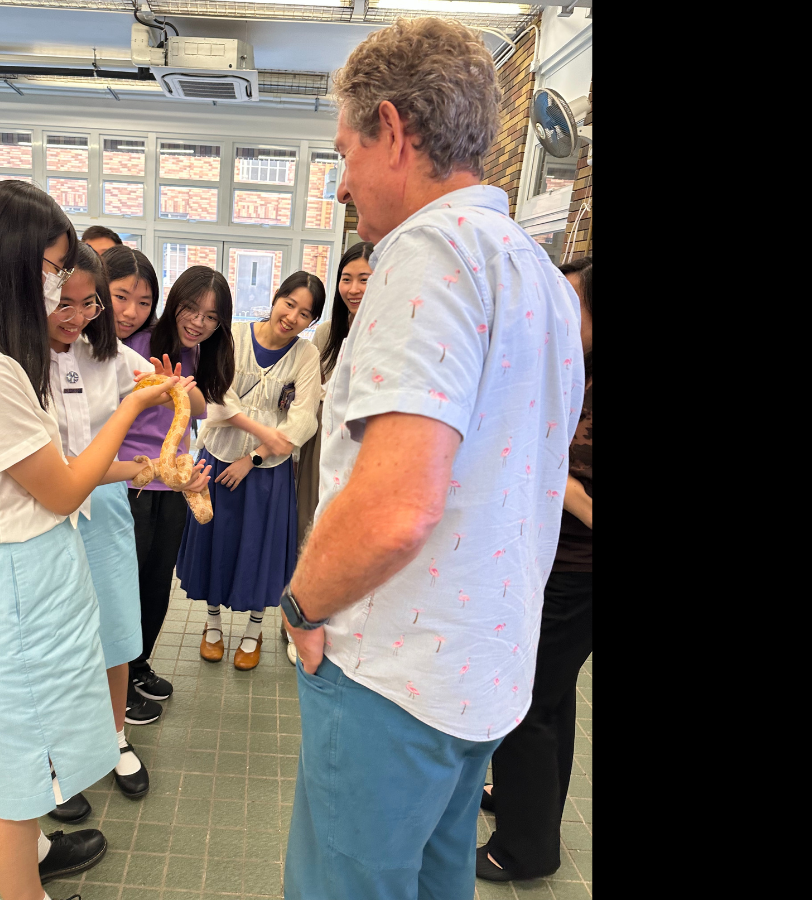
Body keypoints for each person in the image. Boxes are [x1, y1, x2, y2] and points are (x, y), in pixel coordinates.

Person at [280, 18, 584, 900]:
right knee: (434, 878)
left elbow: (397, 507)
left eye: (345, 153)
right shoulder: (539, 274)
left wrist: (301, 603)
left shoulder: (425, 252)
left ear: (393, 129)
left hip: (395, 671)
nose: (343, 184)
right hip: (486, 666)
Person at [0, 180, 193, 900]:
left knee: (34, 746)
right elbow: (65, 488)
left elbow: (61, 469)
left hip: (35, 568)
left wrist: (146, 464)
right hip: (15, 579)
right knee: (14, 771)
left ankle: (35, 848)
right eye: (51, 268)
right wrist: (132, 407)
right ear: (7, 260)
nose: (60, 288)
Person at [45, 244, 211, 823]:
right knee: (60, 640)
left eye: (88, 303)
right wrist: (148, 466)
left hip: (107, 507)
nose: (79, 315)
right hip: (44, 519)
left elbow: (182, 397)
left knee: (119, 629)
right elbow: (58, 469)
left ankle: (115, 737)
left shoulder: (110, 354)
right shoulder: (17, 358)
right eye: (66, 302)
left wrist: (175, 461)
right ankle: (56, 757)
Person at [477, 255, 592, 882]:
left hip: (576, 575)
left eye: (572, 306)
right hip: (551, 562)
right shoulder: (575, 373)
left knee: (530, 702)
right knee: (551, 697)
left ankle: (523, 851)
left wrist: (548, 468)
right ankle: (529, 809)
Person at [102, 252, 234, 711]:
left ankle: (138, 665)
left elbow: (200, 407)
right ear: (174, 303)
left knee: (157, 585)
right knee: (125, 587)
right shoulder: (136, 344)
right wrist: (166, 387)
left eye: (211, 317)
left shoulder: (195, 350)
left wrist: (178, 388)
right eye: (192, 309)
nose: (199, 322)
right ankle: (115, 688)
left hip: (173, 486)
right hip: (130, 482)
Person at [179, 271, 323, 671]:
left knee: (262, 549)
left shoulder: (306, 356)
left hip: (267, 470)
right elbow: (216, 397)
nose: (292, 317)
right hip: (217, 457)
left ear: (311, 321)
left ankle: (253, 630)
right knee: (215, 542)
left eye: (305, 313)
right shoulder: (232, 337)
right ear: (275, 299)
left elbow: (302, 421)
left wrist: (253, 458)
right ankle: (212, 625)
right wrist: (262, 432)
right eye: (289, 304)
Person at [289, 242, 374, 663]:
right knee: (311, 527)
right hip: (321, 442)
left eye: (364, 279)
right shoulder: (327, 334)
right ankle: (302, 621)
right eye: (347, 278)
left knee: (353, 534)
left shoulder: (390, 331)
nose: (353, 288)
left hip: (365, 447)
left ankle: (344, 624)